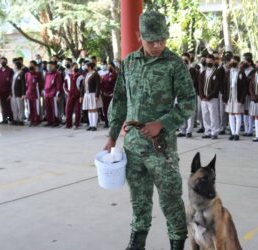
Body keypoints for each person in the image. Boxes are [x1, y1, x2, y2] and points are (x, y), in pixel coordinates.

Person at [104, 11, 195, 250]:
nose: (157, 45)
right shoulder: (129, 63)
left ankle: (177, 244)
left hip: (160, 147)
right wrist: (112, 135)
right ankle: (137, 244)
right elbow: (120, 100)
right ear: (139, 36)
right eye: (151, 40)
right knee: (139, 198)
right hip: (133, 145)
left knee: (171, 198)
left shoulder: (174, 64)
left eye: (162, 40)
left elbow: (188, 101)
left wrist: (162, 123)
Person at [224, 55, 247, 140]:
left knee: (237, 114)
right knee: (231, 114)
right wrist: (225, 98)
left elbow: (244, 87)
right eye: (231, 61)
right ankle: (232, 132)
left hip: (238, 95)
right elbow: (225, 86)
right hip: (229, 96)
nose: (232, 63)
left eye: (234, 61)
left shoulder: (241, 72)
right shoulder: (228, 72)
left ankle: (237, 133)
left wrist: (242, 99)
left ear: (237, 62)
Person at [199, 54, 221, 139]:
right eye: (207, 61)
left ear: (214, 61)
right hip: (203, 98)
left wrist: (209, 96)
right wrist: (202, 96)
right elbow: (200, 85)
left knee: (213, 115)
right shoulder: (203, 72)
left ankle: (214, 132)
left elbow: (217, 86)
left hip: (212, 98)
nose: (208, 62)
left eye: (210, 61)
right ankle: (207, 131)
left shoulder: (217, 72)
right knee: (205, 115)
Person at [178, 53, 199, 138]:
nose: (184, 62)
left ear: (189, 60)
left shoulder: (193, 70)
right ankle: (182, 130)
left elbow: (195, 82)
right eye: (182, 60)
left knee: (190, 114)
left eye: (186, 60)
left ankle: (189, 131)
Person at [81, 62, 102, 131]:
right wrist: (81, 95)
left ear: (89, 67)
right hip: (87, 94)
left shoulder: (95, 74)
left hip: (93, 94)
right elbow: (83, 85)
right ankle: (91, 124)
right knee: (89, 110)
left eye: (86, 66)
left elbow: (98, 86)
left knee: (94, 109)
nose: (85, 68)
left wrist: (97, 95)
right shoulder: (86, 74)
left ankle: (94, 125)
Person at [64, 63, 84, 129]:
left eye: (77, 67)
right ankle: (68, 124)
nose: (75, 68)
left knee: (77, 110)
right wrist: (68, 93)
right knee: (68, 109)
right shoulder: (67, 76)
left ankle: (76, 124)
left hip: (77, 96)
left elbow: (82, 87)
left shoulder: (81, 76)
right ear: (71, 68)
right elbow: (65, 86)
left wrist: (81, 95)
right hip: (70, 95)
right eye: (74, 67)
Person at [43, 61, 63, 127]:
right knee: (48, 109)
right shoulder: (47, 74)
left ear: (54, 66)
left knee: (54, 109)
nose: (49, 67)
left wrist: (58, 95)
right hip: (46, 94)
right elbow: (45, 83)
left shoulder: (57, 74)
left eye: (50, 66)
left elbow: (59, 85)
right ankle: (49, 121)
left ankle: (55, 122)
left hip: (54, 94)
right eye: (48, 66)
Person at [0, 57, 14, 124]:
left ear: (6, 62)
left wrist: (11, 92)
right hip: (1, 91)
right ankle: (4, 119)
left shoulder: (10, 70)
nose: (2, 62)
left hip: (8, 91)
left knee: (9, 105)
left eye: (4, 61)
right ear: (0, 62)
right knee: (3, 106)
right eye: (1, 61)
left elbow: (12, 81)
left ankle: (11, 118)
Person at [241, 52, 255, 136]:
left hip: (250, 94)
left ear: (250, 62)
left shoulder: (254, 70)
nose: (244, 63)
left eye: (245, 61)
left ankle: (250, 130)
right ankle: (246, 130)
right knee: (244, 112)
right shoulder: (242, 70)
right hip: (243, 94)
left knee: (250, 112)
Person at [25, 61, 43, 126]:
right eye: (29, 65)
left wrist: (39, 92)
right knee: (30, 108)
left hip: (36, 94)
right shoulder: (27, 74)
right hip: (29, 94)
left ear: (35, 66)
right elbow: (26, 84)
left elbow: (41, 84)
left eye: (32, 65)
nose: (30, 66)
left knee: (36, 108)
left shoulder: (38, 74)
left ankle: (37, 120)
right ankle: (32, 120)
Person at [100, 62, 117, 128]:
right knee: (105, 109)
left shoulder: (115, 75)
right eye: (108, 66)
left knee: (112, 109)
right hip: (105, 95)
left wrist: (112, 93)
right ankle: (106, 122)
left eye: (110, 66)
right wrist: (103, 92)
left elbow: (116, 85)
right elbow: (102, 85)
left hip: (112, 95)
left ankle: (112, 123)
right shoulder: (106, 76)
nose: (109, 68)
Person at [9, 60, 26, 125]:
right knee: (14, 107)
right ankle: (15, 119)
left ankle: (21, 120)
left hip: (19, 94)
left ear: (16, 66)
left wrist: (23, 94)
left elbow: (23, 84)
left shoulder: (21, 73)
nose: (13, 67)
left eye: (13, 65)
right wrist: (10, 93)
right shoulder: (14, 73)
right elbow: (12, 84)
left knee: (20, 107)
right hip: (13, 94)